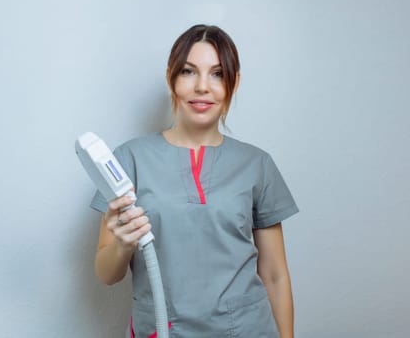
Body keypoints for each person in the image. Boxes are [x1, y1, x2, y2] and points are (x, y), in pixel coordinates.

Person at [90, 24, 299, 338]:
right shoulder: (129, 159)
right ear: (171, 78)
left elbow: (274, 275)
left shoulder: (257, 164)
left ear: (234, 82)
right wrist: (121, 244)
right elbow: (106, 273)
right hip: (162, 330)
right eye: (189, 72)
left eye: (217, 73)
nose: (203, 86)